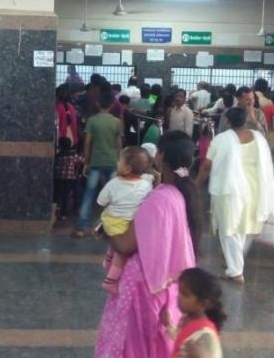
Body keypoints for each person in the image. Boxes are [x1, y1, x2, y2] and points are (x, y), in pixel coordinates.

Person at [94, 132, 200, 358]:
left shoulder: (157, 200)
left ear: (160, 157)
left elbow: (125, 245)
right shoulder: (177, 194)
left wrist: (107, 226)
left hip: (142, 287)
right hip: (165, 286)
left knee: (130, 344)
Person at [195, 107, 274, 284]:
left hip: (229, 190)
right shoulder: (259, 138)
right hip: (255, 188)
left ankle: (235, 270)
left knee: (229, 228)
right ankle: (235, 264)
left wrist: (197, 184)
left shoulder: (222, 139)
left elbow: (207, 165)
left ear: (227, 122)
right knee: (246, 226)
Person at [97, 146, 155, 294]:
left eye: (119, 161)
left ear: (127, 168)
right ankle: (110, 279)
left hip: (111, 220)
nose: (117, 163)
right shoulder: (146, 185)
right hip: (126, 223)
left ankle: (109, 269)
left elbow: (101, 201)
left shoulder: (113, 183)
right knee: (122, 252)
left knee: (117, 244)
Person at [75, 91, 123, 238]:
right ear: (112, 104)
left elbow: (88, 143)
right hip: (112, 162)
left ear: (98, 104)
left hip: (95, 162)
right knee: (114, 195)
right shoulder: (116, 122)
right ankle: (110, 227)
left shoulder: (92, 120)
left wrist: (86, 162)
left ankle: (82, 227)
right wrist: (119, 161)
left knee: (89, 194)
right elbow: (119, 144)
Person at [169, 268, 225, 358]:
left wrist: (196, 356)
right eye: (179, 291)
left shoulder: (205, 332)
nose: (179, 297)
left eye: (185, 294)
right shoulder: (186, 319)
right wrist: (169, 326)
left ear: (203, 303)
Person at [54, 136, 81, 220]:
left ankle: (57, 210)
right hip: (70, 178)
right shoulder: (73, 155)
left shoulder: (58, 155)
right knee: (67, 194)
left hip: (59, 178)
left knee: (59, 195)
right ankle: (65, 212)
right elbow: (81, 160)